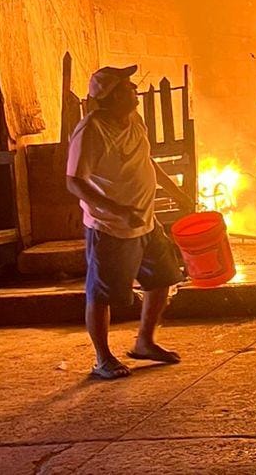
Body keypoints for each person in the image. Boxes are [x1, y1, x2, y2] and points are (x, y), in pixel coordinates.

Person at [65, 64, 195, 380]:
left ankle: (144, 342)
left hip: (146, 221)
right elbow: (74, 181)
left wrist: (175, 191)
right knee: (101, 294)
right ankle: (102, 359)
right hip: (110, 227)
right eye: (126, 87)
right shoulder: (91, 131)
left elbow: (144, 158)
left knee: (162, 278)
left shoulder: (134, 119)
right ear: (110, 97)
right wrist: (118, 210)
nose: (134, 89)